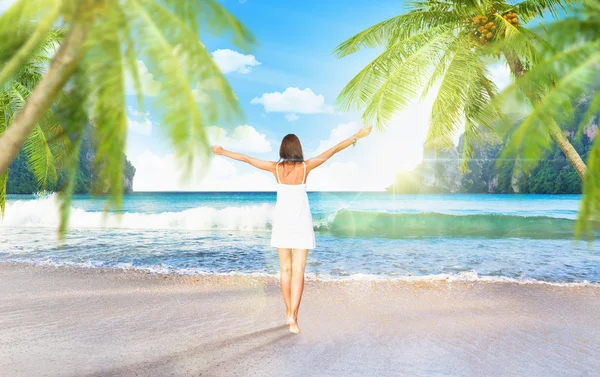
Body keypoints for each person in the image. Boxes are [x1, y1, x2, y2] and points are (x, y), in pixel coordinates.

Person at [212, 125, 372, 333]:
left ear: (282, 150)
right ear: (298, 149)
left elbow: (247, 159)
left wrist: (222, 152)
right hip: (302, 224)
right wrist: (356, 137)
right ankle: (293, 317)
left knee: (285, 270)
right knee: (298, 271)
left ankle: (288, 313)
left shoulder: (275, 169)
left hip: (283, 224)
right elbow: (332, 150)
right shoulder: (306, 167)